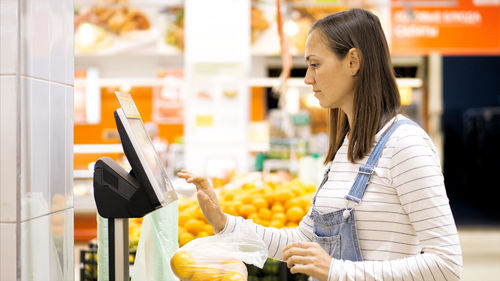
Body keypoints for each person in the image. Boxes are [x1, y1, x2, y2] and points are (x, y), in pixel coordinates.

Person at [178, 8, 462, 281]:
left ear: (353, 61)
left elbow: (446, 265)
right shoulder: (345, 150)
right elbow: (302, 241)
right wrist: (225, 223)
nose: (308, 78)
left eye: (315, 64)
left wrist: (337, 271)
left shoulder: (406, 145)